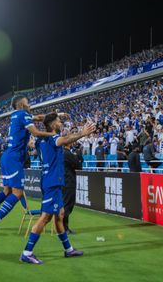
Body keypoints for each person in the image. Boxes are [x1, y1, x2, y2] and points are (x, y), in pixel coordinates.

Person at [0, 95, 62, 241]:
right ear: (21, 105)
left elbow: (39, 118)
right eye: (28, 103)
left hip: (7, 157)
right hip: (14, 158)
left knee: (7, 191)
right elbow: (36, 133)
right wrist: (53, 135)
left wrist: (56, 115)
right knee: (18, 193)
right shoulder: (23, 114)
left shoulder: (16, 115)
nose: (30, 105)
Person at [20, 112, 96, 264]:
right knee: (46, 217)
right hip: (53, 182)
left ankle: (68, 250)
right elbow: (66, 139)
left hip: (51, 180)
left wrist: (54, 114)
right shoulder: (53, 138)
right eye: (58, 120)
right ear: (52, 125)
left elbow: (33, 141)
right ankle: (27, 252)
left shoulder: (41, 139)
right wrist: (83, 133)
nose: (61, 122)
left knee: (59, 215)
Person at [63, 142, 82, 234]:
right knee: (67, 205)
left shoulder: (59, 152)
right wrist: (78, 154)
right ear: (69, 144)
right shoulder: (67, 153)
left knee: (64, 204)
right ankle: (64, 228)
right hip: (68, 182)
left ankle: (62, 227)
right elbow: (79, 166)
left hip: (62, 181)